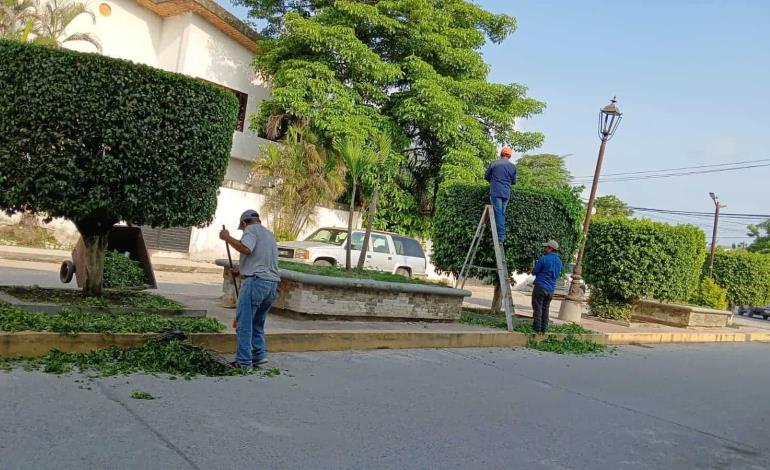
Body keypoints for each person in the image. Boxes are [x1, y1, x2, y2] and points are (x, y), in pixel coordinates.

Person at [219, 209, 280, 369]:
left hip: (256, 283)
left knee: (244, 323)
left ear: (244, 223)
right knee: (257, 323)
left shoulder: (250, 230)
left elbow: (246, 248)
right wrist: (241, 270)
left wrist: (227, 237)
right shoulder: (269, 234)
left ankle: (244, 362)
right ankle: (259, 356)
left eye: (242, 227)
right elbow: (262, 259)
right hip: (272, 285)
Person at [484, 146, 517, 242]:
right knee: (501, 213)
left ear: (501, 154)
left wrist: (493, 180)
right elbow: (514, 182)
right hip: (506, 193)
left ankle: (501, 236)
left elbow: (486, 176)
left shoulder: (494, 163)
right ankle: (501, 234)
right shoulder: (513, 166)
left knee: (498, 213)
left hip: (496, 191)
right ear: (510, 156)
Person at [531, 240, 563, 334]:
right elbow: (557, 275)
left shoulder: (543, 258)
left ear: (551, 248)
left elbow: (535, 272)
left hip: (540, 286)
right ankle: (544, 329)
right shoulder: (559, 262)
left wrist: (532, 269)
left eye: (546, 247)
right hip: (551, 289)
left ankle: (537, 329)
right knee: (546, 308)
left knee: (538, 307)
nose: (544, 249)